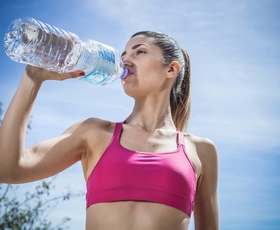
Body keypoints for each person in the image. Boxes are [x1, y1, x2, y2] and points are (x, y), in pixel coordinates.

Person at [0, 31, 219, 230]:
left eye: (139, 52)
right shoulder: (93, 133)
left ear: (171, 69)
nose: (125, 61)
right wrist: (32, 78)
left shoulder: (200, 150)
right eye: (123, 55)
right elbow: (7, 169)